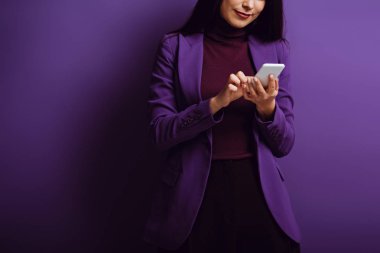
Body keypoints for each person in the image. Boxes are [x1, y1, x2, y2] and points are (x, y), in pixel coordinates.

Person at [143, 0, 302, 252]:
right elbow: (160, 133)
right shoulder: (174, 46)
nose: (249, 5)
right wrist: (215, 104)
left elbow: (284, 144)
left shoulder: (276, 50)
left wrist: (267, 107)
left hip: (259, 193)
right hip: (193, 196)